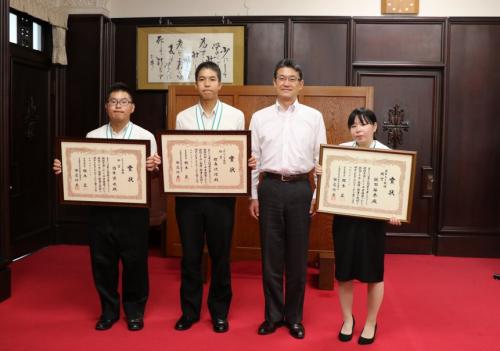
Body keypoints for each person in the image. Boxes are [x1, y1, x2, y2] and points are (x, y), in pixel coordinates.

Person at [53, 82, 161, 331]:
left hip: (134, 211)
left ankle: (134, 312)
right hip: (101, 210)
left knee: (135, 262)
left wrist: (154, 167)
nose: (118, 106)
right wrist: (65, 169)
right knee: (103, 262)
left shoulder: (145, 137)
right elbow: (85, 169)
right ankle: (109, 311)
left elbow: (153, 173)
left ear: (132, 107)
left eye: (123, 102)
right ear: (106, 107)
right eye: (113, 101)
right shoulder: (93, 136)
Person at [248, 58, 327, 339]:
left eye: (292, 78)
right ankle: (272, 316)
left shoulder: (313, 116)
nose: (286, 83)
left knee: (296, 257)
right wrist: (254, 195)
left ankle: (294, 317)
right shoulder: (259, 118)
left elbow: (321, 159)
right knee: (271, 257)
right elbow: (253, 160)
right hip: (269, 188)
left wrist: (317, 194)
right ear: (274, 82)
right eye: (281, 77)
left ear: (300, 85)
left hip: (299, 189)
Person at [173, 61, 252, 333]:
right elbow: (179, 153)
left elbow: (238, 152)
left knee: (220, 256)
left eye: (212, 79)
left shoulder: (235, 116)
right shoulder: (183, 117)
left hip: (221, 198)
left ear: (220, 84)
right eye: (202, 79)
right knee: (191, 256)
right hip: (189, 199)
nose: (206, 83)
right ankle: (190, 312)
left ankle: (219, 312)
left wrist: (246, 162)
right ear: (195, 84)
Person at [316, 107, 401, 345]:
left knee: (374, 274)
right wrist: (323, 173)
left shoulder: (388, 154)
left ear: (374, 126)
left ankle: (372, 321)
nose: (358, 129)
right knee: (344, 273)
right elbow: (328, 186)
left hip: (372, 224)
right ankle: (347, 319)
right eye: (353, 125)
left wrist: (395, 212)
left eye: (363, 124)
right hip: (345, 220)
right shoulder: (340, 151)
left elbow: (395, 194)